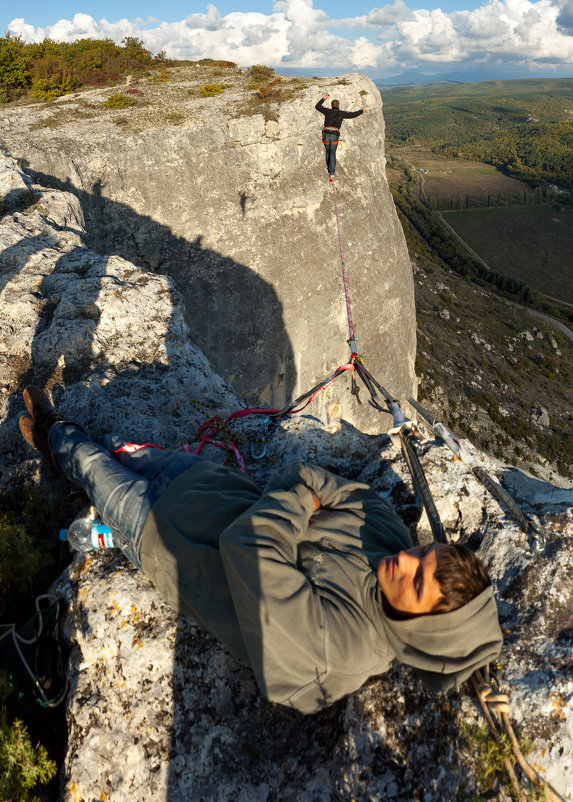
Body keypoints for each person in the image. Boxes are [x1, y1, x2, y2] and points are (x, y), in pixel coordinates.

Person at [18, 386, 503, 714]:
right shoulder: (391, 542)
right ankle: (73, 445)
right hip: (208, 482)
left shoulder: (337, 650)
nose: (408, 559)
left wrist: (300, 509)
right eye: (428, 554)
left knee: (89, 464)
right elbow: (303, 476)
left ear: (425, 629)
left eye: (418, 582)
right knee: (123, 450)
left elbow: (246, 545)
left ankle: (52, 432)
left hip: (166, 538)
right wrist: (288, 521)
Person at [315, 93, 367, 178]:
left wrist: (323, 99)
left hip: (326, 134)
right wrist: (362, 110)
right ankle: (331, 172)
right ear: (338, 105)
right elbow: (352, 115)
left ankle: (329, 168)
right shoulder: (342, 113)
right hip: (335, 135)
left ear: (332, 105)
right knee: (332, 153)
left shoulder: (327, 111)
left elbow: (317, 106)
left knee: (328, 151)